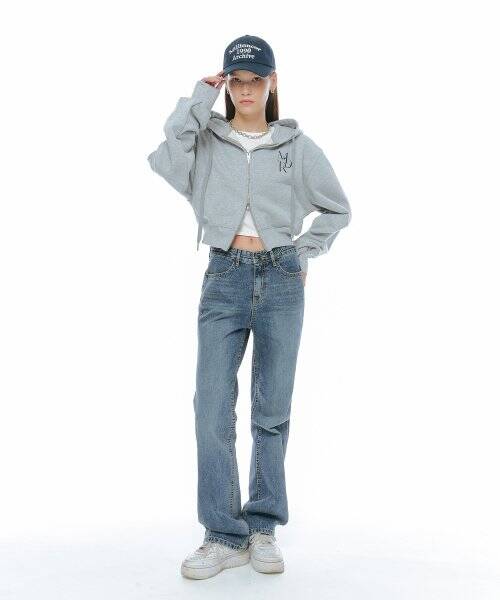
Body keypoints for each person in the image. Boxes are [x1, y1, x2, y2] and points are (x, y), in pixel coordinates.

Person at [147, 34, 352, 579]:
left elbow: (337, 208)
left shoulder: (297, 148)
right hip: (225, 278)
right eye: (235, 81)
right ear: (226, 85)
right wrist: (198, 98)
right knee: (212, 407)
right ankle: (222, 534)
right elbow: (167, 158)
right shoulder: (208, 142)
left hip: (282, 278)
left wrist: (304, 251)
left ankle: (262, 527)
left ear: (271, 82)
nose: (244, 90)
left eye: (254, 80)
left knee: (272, 410)